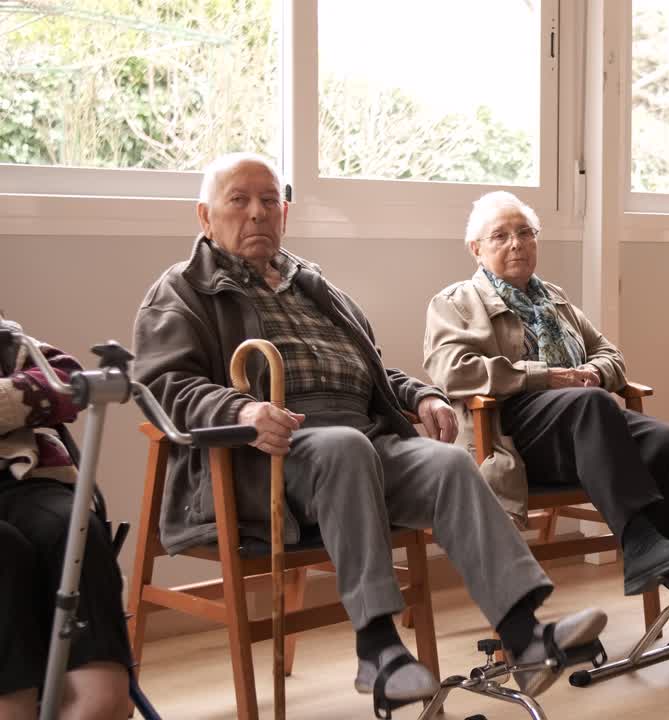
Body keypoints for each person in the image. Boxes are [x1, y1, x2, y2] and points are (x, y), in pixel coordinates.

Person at [131, 154, 605, 705]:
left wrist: (418, 394)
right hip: (260, 461)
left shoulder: (312, 284)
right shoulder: (184, 290)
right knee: (346, 447)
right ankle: (377, 649)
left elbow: (373, 366)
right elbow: (162, 384)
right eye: (239, 201)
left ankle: (526, 639)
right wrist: (240, 411)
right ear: (205, 216)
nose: (258, 213)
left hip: (361, 443)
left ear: (284, 213)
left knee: (450, 462)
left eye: (269, 202)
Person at [423, 190, 669, 635]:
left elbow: (610, 353)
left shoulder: (553, 297)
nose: (517, 244)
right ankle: (640, 540)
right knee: (587, 404)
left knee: (667, 441)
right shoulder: (455, 302)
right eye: (501, 236)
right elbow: (452, 370)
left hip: (584, 425)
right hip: (511, 429)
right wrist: (545, 376)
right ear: (476, 248)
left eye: (526, 233)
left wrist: (592, 371)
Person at [0, 316, 131, 720]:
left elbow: (67, 380)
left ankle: (100, 697)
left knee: (73, 527)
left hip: (22, 479)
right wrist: (17, 402)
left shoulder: (7, 337)